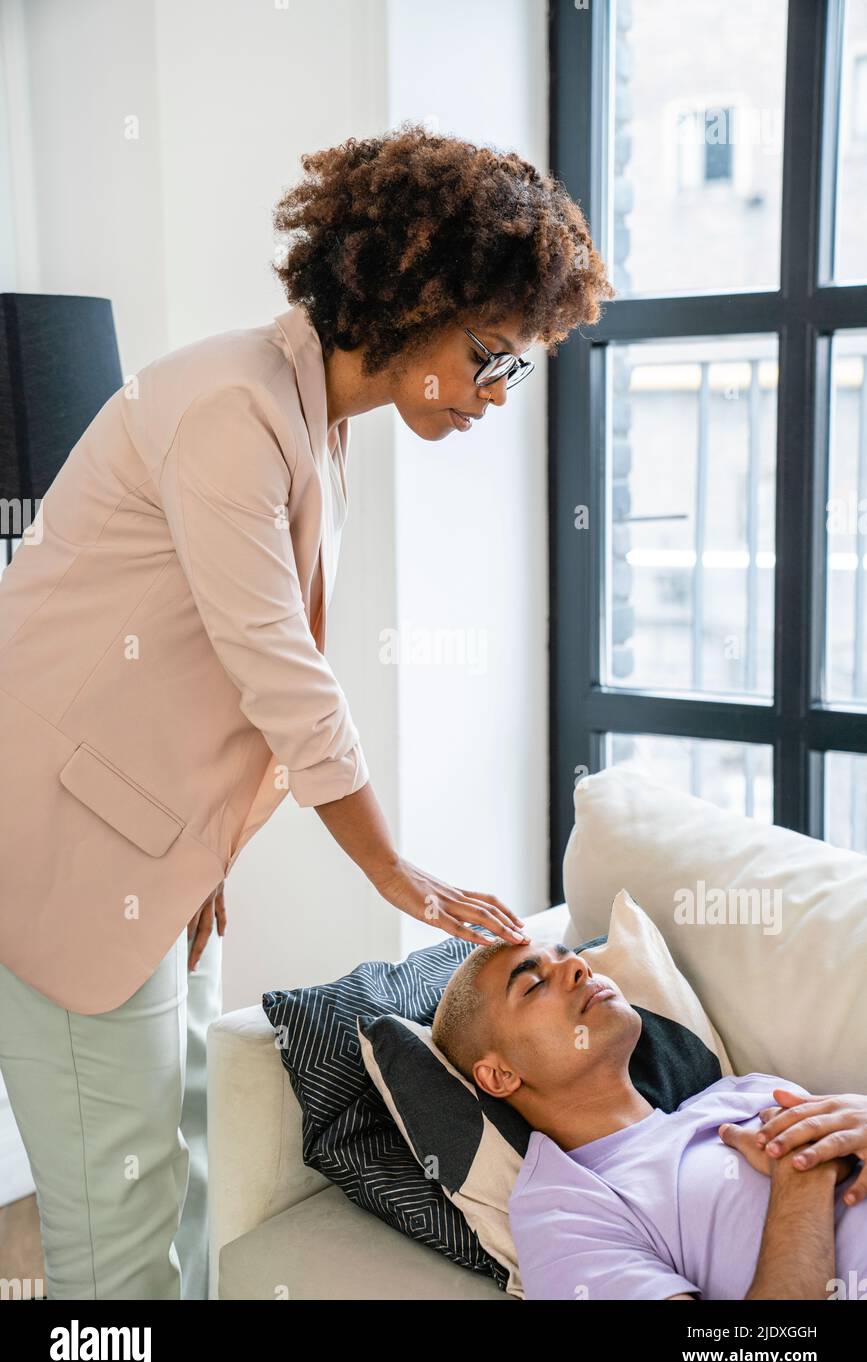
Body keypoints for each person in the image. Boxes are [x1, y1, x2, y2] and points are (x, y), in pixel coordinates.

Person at [0, 121, 614, 1299]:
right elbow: (279, 671)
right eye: (491, 352)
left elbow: (210, 682)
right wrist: (398, 875)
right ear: (408, 297)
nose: (496, 391)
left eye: (515, 363)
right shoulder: (230, 408)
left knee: (170, 1183)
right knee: (111, 1233)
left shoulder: (313, 417)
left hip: (154, 859)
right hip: (71, 856)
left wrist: (203, 852)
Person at [431, 937, 867, 1300]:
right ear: (500, 1075)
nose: (579, 968)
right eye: (534, 983)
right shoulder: (562, 1210)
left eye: (569, 956)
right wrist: (803, 1180)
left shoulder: (745, 1094)